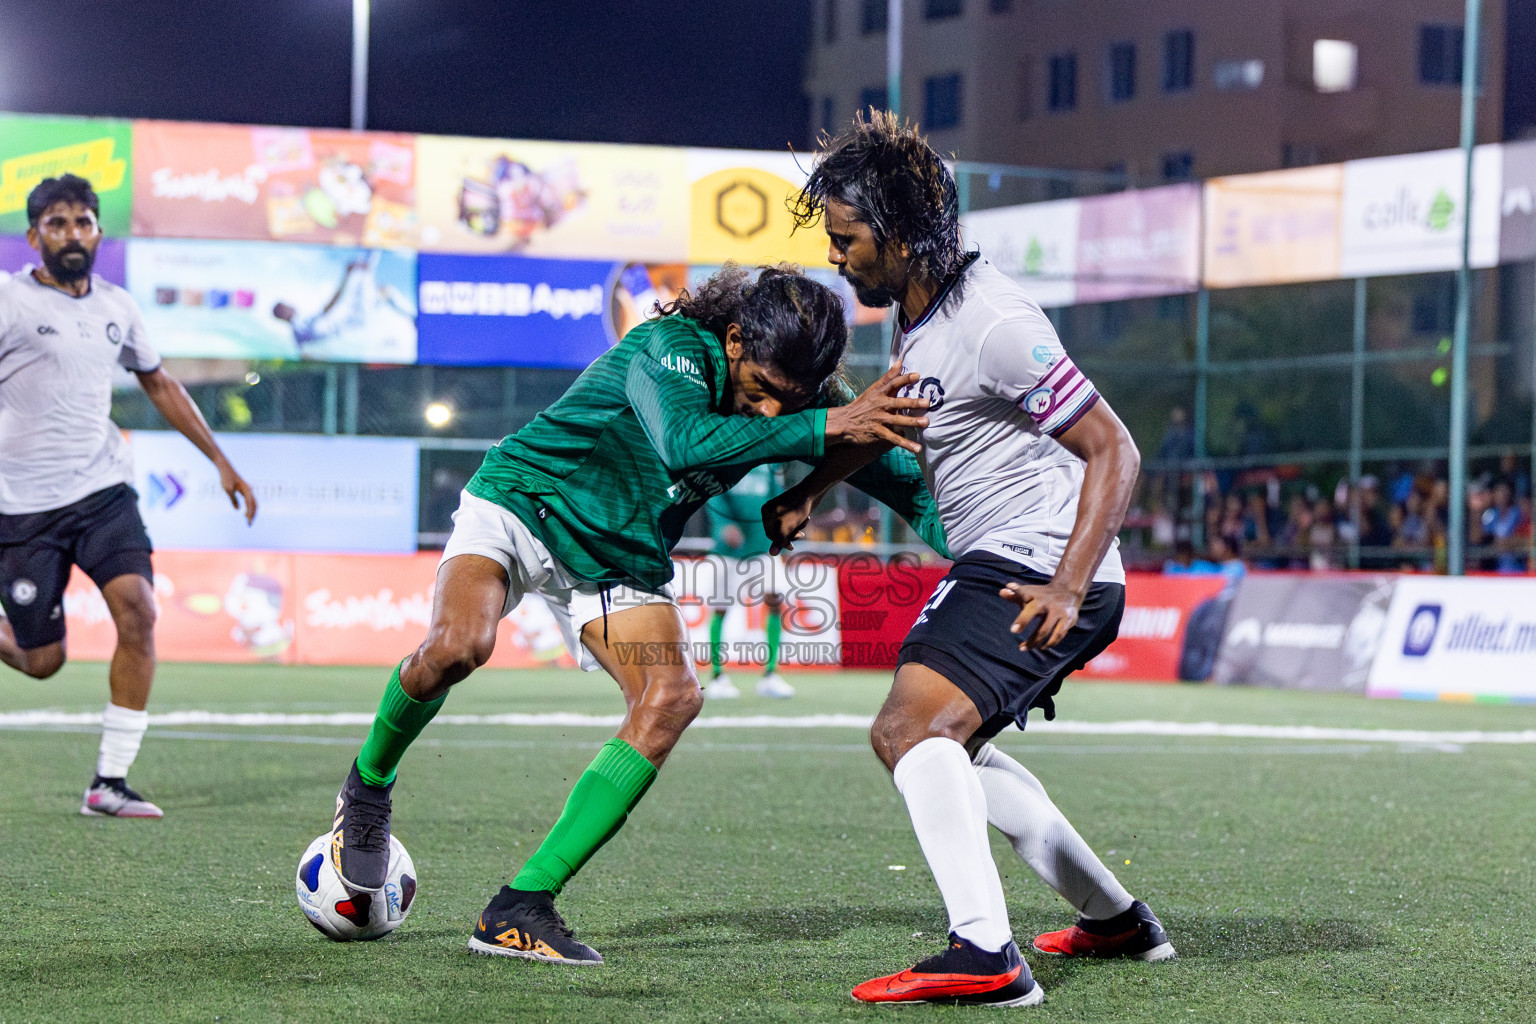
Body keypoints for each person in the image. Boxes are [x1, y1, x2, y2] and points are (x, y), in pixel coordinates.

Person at [324, 263, 948, 965]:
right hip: (523, 504)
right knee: (459, 646)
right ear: (736, 341)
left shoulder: (799, 393)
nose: (773, 412)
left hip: (618, 561)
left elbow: (908, 489)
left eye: (792, 400)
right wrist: (828, 421)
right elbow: (686, 442)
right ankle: (369, 786)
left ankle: (520, 907)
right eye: (764, 392)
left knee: (671, 697)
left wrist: (997, 557)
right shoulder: (669, 348)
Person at [778, 113, 1173, 1008]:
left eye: (847, 239)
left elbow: (1116, 449)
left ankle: (985, 955)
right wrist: (816, 487)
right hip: (1009, 559)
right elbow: (908, 416)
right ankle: (1114, 921)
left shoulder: (994, 322)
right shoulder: (918, 312)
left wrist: (1068, 587)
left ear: (906, 237)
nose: (835, 255)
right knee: (955, 748)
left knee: (909, 732)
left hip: (1038, 564)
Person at [0, 174, 258, 818]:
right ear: (33, 237)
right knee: (41, 662)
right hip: (22, 505)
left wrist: (221, 459)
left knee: (139, 611)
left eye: (83, 221)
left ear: (98, 233)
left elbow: (161, 384)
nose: (71, 234)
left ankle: (108, 783)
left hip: (101, 490)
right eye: (56, 224)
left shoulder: (118, 307)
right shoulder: (7, 303)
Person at [702, 463, 795, 700]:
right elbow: (712, 494)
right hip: (728, 551)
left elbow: (778, 500)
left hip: (763, 548)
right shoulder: (726, 461)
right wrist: (724, 524)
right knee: (721, 608)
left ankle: (771, 674)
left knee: (776, 599)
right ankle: (716, 676)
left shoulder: (769, 465)